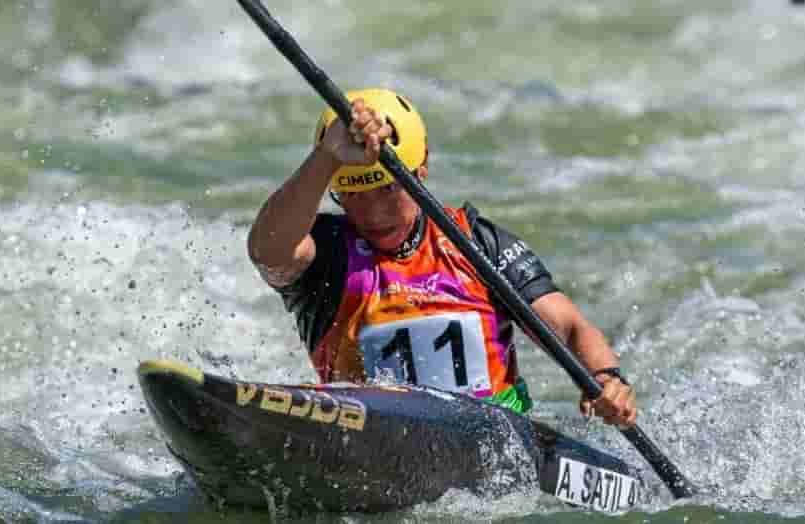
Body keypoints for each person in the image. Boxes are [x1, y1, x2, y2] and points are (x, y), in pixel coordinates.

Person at [247, 88, 636, 427]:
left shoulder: (477, 243)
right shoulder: (325, 252)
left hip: (498, 437)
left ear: (422, 168)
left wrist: (605, 378)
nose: (373, 213)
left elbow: (569, 327)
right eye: (351, 194)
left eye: (387, 189)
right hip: (373, 438)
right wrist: (325, 159)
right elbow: (268, 252)